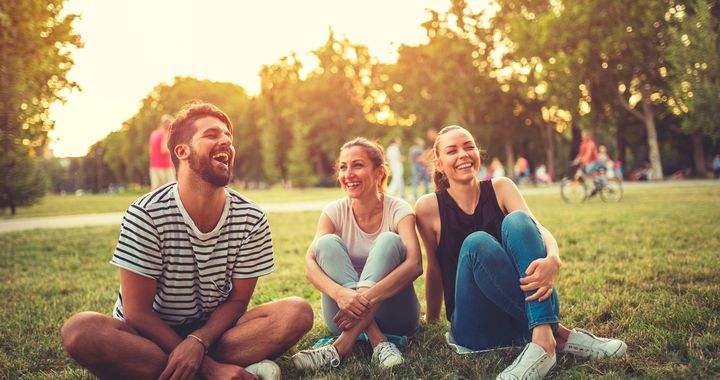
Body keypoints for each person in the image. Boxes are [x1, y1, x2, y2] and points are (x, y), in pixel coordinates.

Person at [61, 102, 313, 380]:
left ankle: (178, 371)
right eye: (212, 135)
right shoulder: (146, 214)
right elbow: (137, 313)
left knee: (296, 313)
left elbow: (238, 300)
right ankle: (213, 372)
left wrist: (199, 341)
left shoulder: (250, 217)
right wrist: (210, 367)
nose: (226, 142)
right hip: (148, 336)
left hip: (213, 333)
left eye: (229, 137)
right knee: (80, 331)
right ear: (182, 151)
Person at [415, 125, 627, 380]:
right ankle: (560, 335)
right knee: (476, 243)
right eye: (452, 151)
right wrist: (433, 319)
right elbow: (435, 268)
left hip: (516, 320)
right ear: (439, 163)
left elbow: (536, 229)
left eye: (469, 146)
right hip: (474, 328)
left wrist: (553, 257)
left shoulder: (502, 187)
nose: (463, 154)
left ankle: (542, 341)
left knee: (517, 220)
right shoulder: (428, 208)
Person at [292, 138, 422, 372]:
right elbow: (310, 264)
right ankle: (377, 340)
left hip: (396, 315)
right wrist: (340, 294)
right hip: (342, 314)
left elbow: (414, 264)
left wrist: (366, 298)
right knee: (326, 244)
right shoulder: (333, 212)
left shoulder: (399, 209)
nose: (348, 174)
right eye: (343, 167)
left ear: (378, 172)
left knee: (389, 240)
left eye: (357, 165)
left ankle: (340, 347)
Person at [149, 115, 176, 190]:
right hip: (165, 166)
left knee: (155, 191)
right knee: (171, 189)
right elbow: (164, 150)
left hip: (154, 166)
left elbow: (151, 151)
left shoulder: (154, 134)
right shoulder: (166, 134)